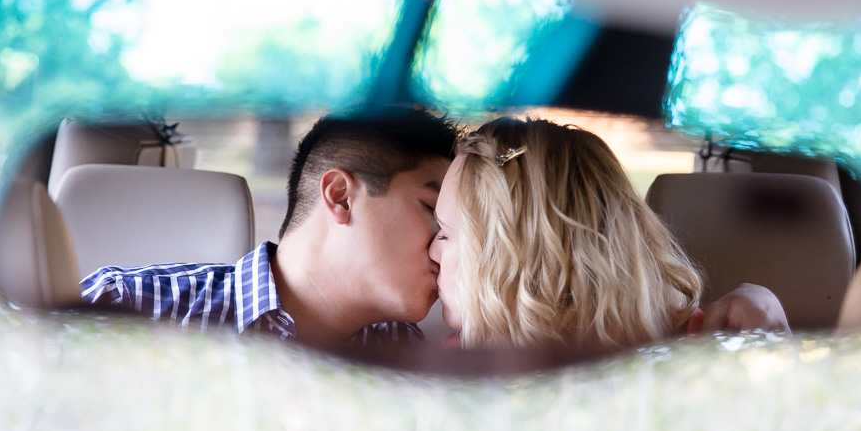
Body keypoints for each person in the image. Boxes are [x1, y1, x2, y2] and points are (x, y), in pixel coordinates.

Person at [80, 108, 458, 351]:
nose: (446, 244)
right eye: (432, 211)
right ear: (340, 197)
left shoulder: (404, 352)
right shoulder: (128, 305)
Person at [429, 117, 789, 351]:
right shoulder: (461, 357)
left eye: (445, 234)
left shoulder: (707, 344)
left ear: (514, 252)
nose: (432, 251)